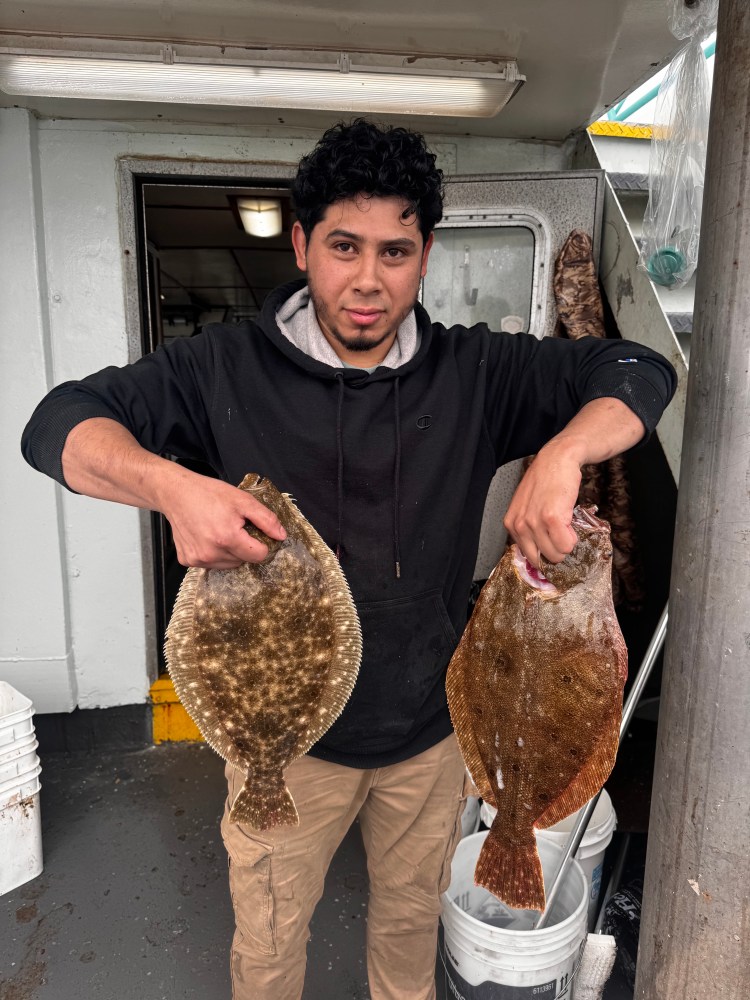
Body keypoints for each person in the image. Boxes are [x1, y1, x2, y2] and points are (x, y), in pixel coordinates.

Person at [21, 118, 676, 1000]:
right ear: (300, 243)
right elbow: (55, 424)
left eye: (396, 251)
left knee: (408, 929)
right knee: (271, 935)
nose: (368, 280)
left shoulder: (477, 372)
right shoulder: (218, 370)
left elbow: (636, 367)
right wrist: (171, 486)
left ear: (426, 254)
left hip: (433, 737)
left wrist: (563, 453)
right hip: (284, 747)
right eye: (343, 246)